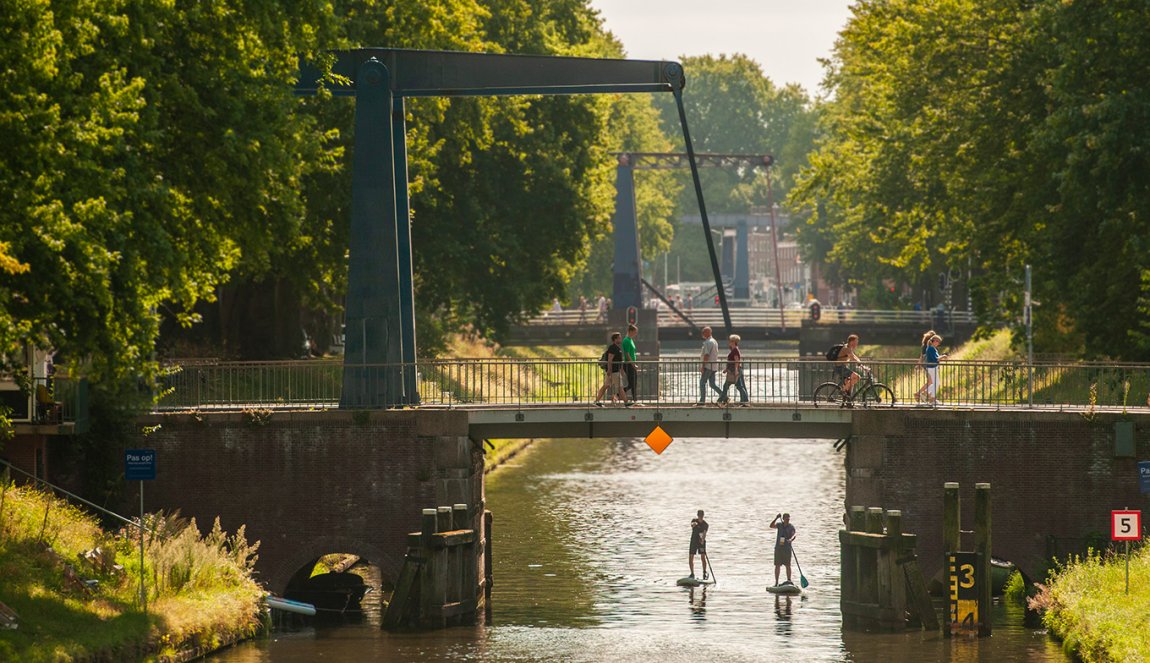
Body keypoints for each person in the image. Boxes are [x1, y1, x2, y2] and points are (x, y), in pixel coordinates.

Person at [593, 332, 627, 406]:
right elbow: (610, 359)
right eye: (619, 338)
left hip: (614, 372)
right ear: (615, 339)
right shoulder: (613, 348)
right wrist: (609, 370)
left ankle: (596, 401)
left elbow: (619, 361)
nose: (621, 339)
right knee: (620, 387)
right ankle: (626, 402)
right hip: (614, 372)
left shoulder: (617, 348)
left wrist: (621, 370)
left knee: (606, 386)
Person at [832, 334, 867, 398]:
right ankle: (843, 390)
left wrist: (861, 363)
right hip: (840, 368)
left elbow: (854, 356)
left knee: (850, 383)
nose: (856, 344)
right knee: (857, 377)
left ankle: (848, 400)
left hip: (842, 367)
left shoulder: (848, 347)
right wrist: (861, 366)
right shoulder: (846, 349)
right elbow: (852, 358)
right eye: (855, 342)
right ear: (851, 342)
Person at [718, 334, 749, 405]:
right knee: (738, 386)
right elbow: (732, 361)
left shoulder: (735, 350)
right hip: (733, 370)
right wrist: (726, 369)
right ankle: (744, 401)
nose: (729, 342)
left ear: (733, 341)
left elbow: (736, 361)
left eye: (730, 341)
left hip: (734, 371)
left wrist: (736, 370)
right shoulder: (734, 350)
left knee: (736, 386)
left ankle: (720, 400)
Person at [697, 326, 723, 405]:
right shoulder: (714, 341)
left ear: (708, 333)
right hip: (713, 366)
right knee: (712, 384)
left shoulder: (708, 342)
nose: (702, 334)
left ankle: (702, 401)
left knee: (702, 382)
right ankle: (724, 396)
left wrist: (703, 366)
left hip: (708, 366)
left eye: (703, 332)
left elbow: (706, 356)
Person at [770, 512, 797, 586]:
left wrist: (791, 540)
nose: (788, 520)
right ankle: (776, 582)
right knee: (777, 565)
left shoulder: (791, 527)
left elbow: (794, 534)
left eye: (789, 519)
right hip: (778, 548)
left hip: (787, 549)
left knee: (788, 565)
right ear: (783, 519)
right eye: (786, 519)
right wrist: (776, 518)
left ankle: (789, 580)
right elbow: (771, 526)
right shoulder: (779, 525)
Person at [924, 334, 949, 406]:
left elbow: (936, 358)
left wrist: (941, 357)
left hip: (932, 367)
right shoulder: (931, 348)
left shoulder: (932, 348)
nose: (938, 343)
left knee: (935, 383)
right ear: (934, 341)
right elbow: (936, 358)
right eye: (938, 342)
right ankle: (930, 396)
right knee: (936, 383)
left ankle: (930, 396)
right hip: (932, 367)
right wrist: (943, 356)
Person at [913, 329, 937, 403]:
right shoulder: (929, 345)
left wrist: (918, 364)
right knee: (931, 381)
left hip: (925, 364)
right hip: (928, 364)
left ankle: (929, 396)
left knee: (931, 381)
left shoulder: (924, 345)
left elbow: (921, 356)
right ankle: (920, 394)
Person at [689, 510, 709, 580]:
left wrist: (702, 540)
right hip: (693, 541)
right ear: (697, 515)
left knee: (703, 557)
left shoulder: (705, 524)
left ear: (703, 516)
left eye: (701, 515)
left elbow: (704, 533)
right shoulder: (694, 520)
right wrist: (694, 524)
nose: (700, 517)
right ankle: (692, 574)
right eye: (699, 515)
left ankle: (704, 572)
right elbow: (692, 524)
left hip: (701, 542)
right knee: (691, 557)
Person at [622, 323, 639, 404]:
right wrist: (633, 364)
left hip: (631, 364)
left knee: (634, 383)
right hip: (628, 364)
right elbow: (627, 354)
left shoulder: (631, 340)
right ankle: (634, 400)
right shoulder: (626, 340)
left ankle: (618, 395)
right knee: (632, 383)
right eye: (635, 332)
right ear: (630, 331)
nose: (636, 334)